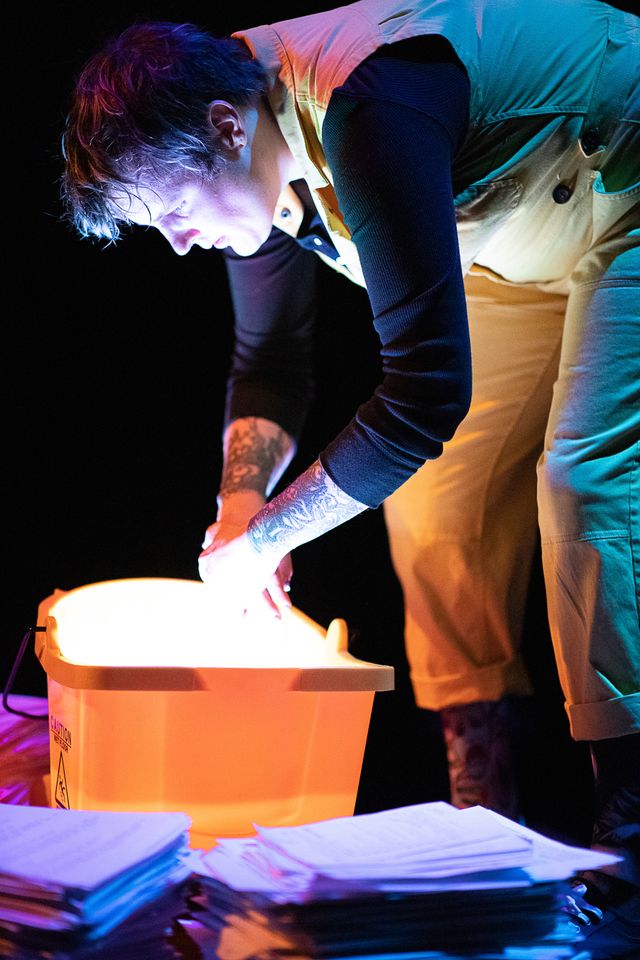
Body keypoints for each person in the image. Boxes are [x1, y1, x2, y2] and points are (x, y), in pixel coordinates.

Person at [62, 0, 638, 936]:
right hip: (517, 237)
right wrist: (242, 504)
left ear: (225, 129)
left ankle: (629, 831)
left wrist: (270, 540)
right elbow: (271, 360)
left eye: (172, 211)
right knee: (436, 511)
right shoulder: (247, 146)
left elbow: (423, 397)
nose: (176, 243)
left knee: (585, 484)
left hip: (625, 181)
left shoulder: (369, 104)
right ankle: (486, 825)